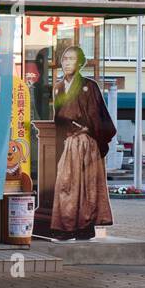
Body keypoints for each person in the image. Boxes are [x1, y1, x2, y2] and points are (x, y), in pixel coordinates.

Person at [49, 43, 115, 240]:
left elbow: (98, 116)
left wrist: (88, 130)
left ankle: (84, 228)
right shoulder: (58, 87)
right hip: (68, 142)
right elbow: (58, 118)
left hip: (86, 142)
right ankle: (65, 226)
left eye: (71, 59)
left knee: (86, 186)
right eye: (65, 59)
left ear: (79, 63)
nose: (67, 63)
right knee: (65, 183)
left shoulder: (89, 86)